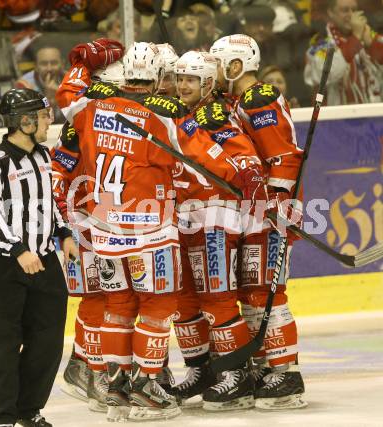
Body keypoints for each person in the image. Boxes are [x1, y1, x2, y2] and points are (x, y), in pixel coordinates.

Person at [56, 38, 262, 421]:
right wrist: (243, 175)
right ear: (156, 79)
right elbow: (203, 151)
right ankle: (147, 387)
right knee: (157, 307)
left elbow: (68, 96)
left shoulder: (94, 107)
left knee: (117, 307)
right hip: (150, 230)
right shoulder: (162, 112)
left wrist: (81, 63)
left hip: (104, 228)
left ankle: (114, 387)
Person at [210, 34, 307, 410]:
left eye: (219, 65)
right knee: (251, 291)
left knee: (265, 291)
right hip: (253, 210)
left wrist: (278, 202)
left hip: (269, 212)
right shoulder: (235, 101)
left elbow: (283, 156)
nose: (214, 73)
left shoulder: (257, 98)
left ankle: (286, 372)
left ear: (235, 67)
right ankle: (268, 364)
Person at [0, 88, 79, 427]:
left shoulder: (44, 157)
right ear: (25, 121)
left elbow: (50, 203)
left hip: (44, 262)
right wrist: (18, 249)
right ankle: (1, 417)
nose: (50, 119)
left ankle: (28, 408)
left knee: (47, 341)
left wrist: (63, 234)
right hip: (4, 266)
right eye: (44, 115)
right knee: (1, 344)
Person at [170, 50, 266, 411]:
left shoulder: (214, 112)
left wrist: (252, 177)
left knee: (218, 295)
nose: (182, 85)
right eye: (180, 78)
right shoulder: (180, 113)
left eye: (190, 79)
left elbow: (243, 155)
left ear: (208, 82)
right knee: (185, 300)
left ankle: (236, 374)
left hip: (217, 215)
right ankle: (202, 369)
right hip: (184, 215)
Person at [54, 62, 125, 413]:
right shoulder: (77, 127)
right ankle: (93, 369)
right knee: (98, 297)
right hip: (84, 223)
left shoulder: (114, 120)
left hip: (112, 221)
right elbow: (57, 174)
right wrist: (65, 225)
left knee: (112, 298)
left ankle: (85, 364)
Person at [304, 0, 383, 105]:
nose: (351, 15)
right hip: (337, 116)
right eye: (345, 10)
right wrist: (356, 39)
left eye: (354, 10)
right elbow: (327, 74)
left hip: (373, 114)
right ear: (331, 12)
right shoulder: (320, 42)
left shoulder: (368, 35)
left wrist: (371, 44)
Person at [16, 44, 65, 122]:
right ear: (36, 66)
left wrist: (63, 96)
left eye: (54, 63)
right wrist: (47, 102)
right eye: (44, 64)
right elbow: (26, 121)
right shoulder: (24, 85)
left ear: (62, 64)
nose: (49, 68)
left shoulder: (73, 81)